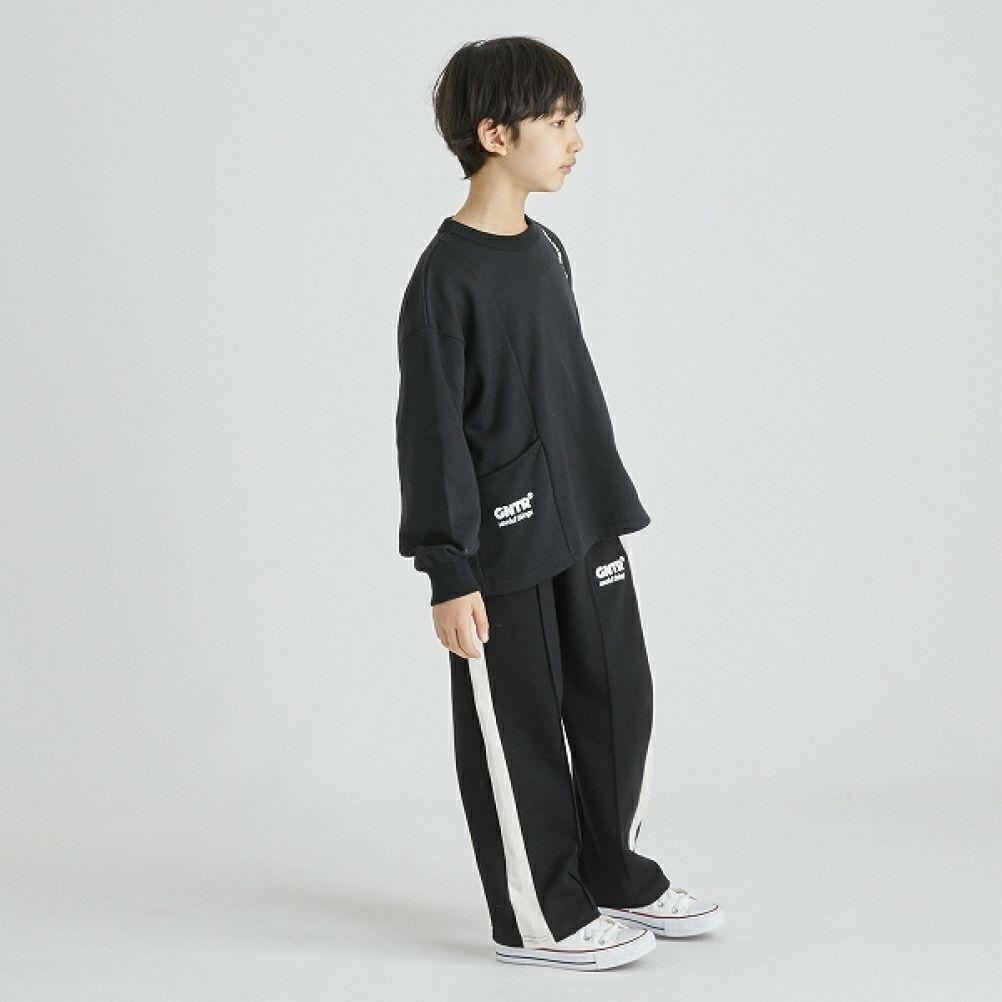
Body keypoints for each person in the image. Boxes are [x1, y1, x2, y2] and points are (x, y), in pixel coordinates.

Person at [394, 35, 724, 971]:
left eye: (576, 119)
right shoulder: (443, 280)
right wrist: (448, 567)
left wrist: (601, 501)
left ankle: (613, 871)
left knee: (619, 697)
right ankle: (540, 917)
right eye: (558, 120)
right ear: (495, 134)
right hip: (502, 545)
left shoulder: (545, 249)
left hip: (586, 517)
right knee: (523, 729)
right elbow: (431, 432)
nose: (576, 140)